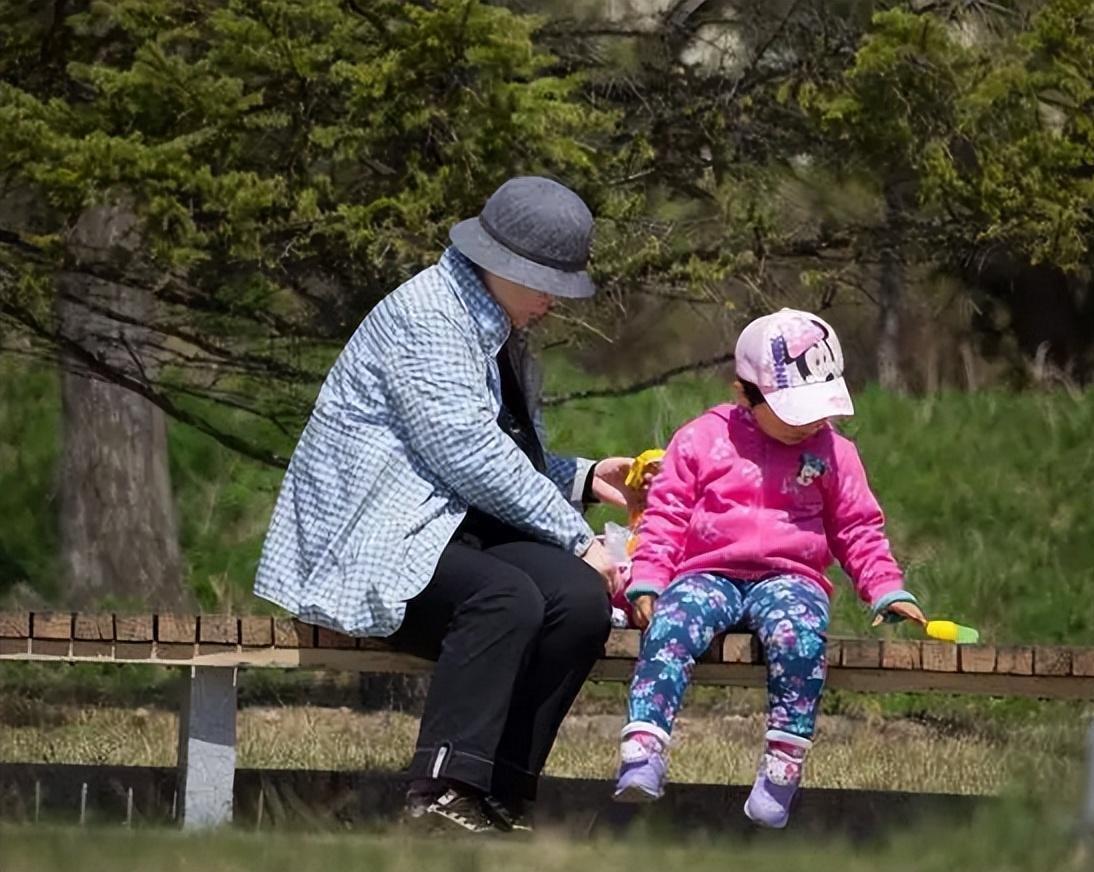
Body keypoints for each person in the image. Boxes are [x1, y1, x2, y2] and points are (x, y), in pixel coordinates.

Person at [255, 176, 647, 833]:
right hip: (380, 537)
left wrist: (582, 478)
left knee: (579, 602)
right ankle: (440, 793)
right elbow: (467, 453)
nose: (553, 299)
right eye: (545, 282)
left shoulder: (495, 327)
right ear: (502, 265)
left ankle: (499, 798)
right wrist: (578, 537)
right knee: (504, 599)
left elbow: (494, 456)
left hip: (450, 526)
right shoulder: (429, 317)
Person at [612, 308, 925, 828]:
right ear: (744, 394)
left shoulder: (833, 452)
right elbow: (667, 515)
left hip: (790, 577)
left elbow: (857, 528)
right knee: (671, 626)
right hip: (707, 572)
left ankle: (782, 767)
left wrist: (886, 588)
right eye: (795, 410)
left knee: (799, 638)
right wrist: (649, 577)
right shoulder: (701, 439)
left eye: (819, 408)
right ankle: (644, 747)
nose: (811, 422)